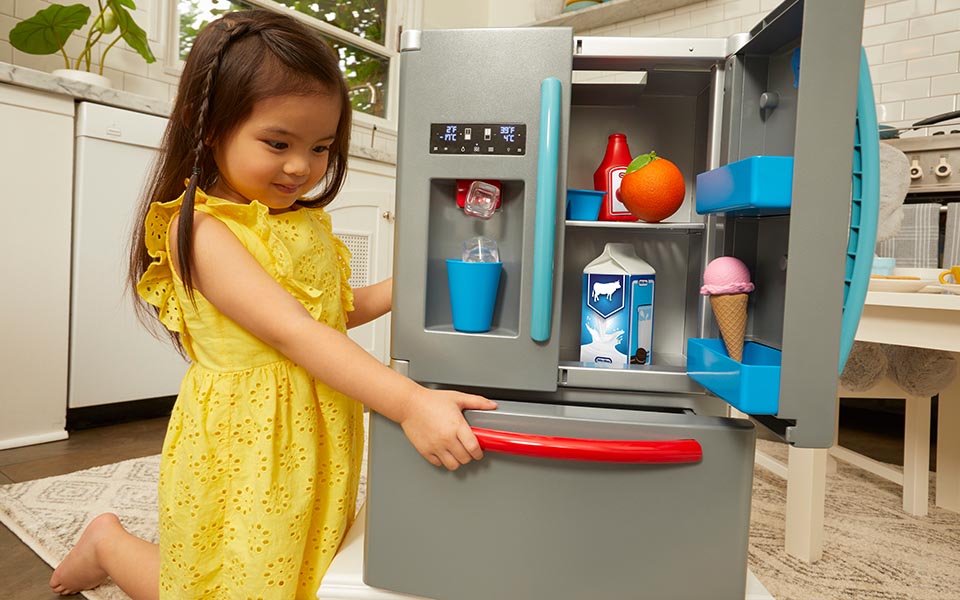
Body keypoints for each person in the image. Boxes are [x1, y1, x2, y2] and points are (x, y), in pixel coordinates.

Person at [49, 9, 496, 600]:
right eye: (278, 143)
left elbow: (333, 313)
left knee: (293, 571)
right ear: (208, 126)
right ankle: (107, 542)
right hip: (248, 440)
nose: (301, 167)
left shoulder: (300, 222)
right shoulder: (204, 232)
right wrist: (409, 403)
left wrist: (414, 281)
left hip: (312, 427)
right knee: (223, 586)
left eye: (319, 147)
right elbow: (291, 331)